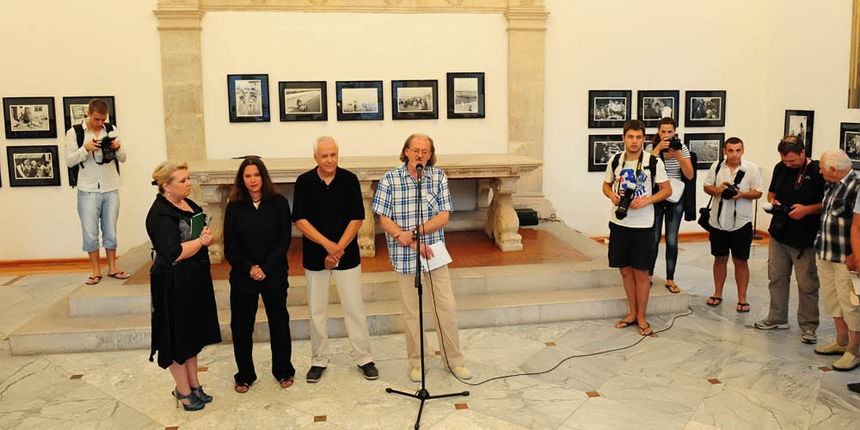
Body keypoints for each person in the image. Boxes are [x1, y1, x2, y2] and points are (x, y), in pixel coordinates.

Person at [372, 133, 472, 382]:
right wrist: (405, 238)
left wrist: (414, 233)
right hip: (403, 254)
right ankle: (418, 361)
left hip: (434, 252)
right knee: (412, 312)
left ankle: (453, 360)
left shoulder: (437, 177)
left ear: (430, 154)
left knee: (446, 307)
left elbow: (443, 216)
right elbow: (383, 218)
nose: (419, 155)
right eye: (415, 150)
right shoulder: (390, 179)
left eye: (425, 152)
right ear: (405, 151)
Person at [293, 136, 377, 383]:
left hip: (347, 253)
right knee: (317, 310)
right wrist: (328, 246)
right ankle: (319, 359)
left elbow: (357, 219)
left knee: (354, 308)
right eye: (324, 156)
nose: (329, 160)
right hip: (315, 254)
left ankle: (364, 358)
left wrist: (338, 249)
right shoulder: (304, 182)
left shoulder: (349, 180)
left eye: (333, 155)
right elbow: (300, 220)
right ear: (315, 158)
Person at [146, 161, 221, 411]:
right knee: (175, 337)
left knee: (191, 334)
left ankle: (194, 384)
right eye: (183, 180)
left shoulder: (189, 203)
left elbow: (199, 233)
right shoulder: (159, 214)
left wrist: (205, 240)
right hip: (172, 282)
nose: (189, 183)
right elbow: (173, 252)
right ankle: (183, 389)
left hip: (194, 279)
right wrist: (202, 242)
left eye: (188, 178)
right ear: (166, 186)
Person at [223, 157, 296, 393]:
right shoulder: (234, 206)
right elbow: (230, 245)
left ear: (263, 177)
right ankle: (244, 374)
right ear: (241, 180)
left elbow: (284, 240)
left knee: (279, 322)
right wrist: (250, 268)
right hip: (244, 277)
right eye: (247, 176)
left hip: (273, 273)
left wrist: (265, 267)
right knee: (241, 326)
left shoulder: (278, 203)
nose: (253, 180)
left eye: (256, 175)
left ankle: (283, 370)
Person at [602, 119, 671, 336]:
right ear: (623, 138)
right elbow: (605, 184)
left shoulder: (653, 162)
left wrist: (647, 200)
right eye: (630, 137)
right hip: (619, 222)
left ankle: (642, 316)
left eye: (639, 137)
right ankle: (632, 313)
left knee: (641, 272)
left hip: (643, 224)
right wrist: (611, 194)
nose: (634, 141)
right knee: (624, 270)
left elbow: (667, 190)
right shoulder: (615, 160)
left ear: (644, 138)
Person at [755, 136, 824, 344]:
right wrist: (772, 201)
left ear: (803, 153)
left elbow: (826, 203)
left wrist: (806, 210)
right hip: (779, 232)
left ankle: (809, 326)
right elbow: (771, 192)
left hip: (805, 237)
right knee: (776, 277)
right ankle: (777, 317)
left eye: (792, 161)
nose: (789, 164)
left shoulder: (818, 172)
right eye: (785, 161)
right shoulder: (780, 167)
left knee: (807, 284)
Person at [64, 99, 129, 285]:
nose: (100, 123)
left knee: (110, 231)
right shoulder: (74, 132)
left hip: (111, 186)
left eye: (103, 119)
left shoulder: (111, 129)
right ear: (88, 113)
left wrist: (117, 148)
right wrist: (85, 149)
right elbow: (69, 161)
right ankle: (95, 271)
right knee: (90, 233)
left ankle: (112, 268)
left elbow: (123, 158)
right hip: (88, 189)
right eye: (97, 119)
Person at [702, 137, 763, 312]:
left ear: (743, 151)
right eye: (730, 150)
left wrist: (742, 194)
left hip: (741, 222)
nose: (734, 154)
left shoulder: (751, 169)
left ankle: (742, 298)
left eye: (738, 150)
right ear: (724, 151)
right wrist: (718, 190)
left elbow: (758, 192)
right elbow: (707, 187)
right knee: (719, 258)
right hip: (718, 220)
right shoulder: (716, 166)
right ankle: (717, 292)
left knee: (741, 260)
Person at [816, 150, 860, 371]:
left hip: (845, 256)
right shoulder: (831, 184)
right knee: (832, 298)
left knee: (849, 303)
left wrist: (855, 254)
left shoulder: (856, 186)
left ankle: (854, 349)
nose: (821, 173)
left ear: (833, 169)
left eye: (823, 170)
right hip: (825, 251)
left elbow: (857, 224)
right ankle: (841, 341)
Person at [645, 117, 694, 293]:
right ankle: (649, 275)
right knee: (654, 238)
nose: (666, 135)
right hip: (658, 196)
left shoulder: (682, 148)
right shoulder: (652, 148)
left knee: (672, 239)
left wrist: (680, 157)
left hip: (675, 198)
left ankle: (670, 279)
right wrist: (657, 150)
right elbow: (645, 170)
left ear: (675, 132)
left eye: (670, 132)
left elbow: (689, 175)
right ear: (658, 131)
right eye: (663, 131)